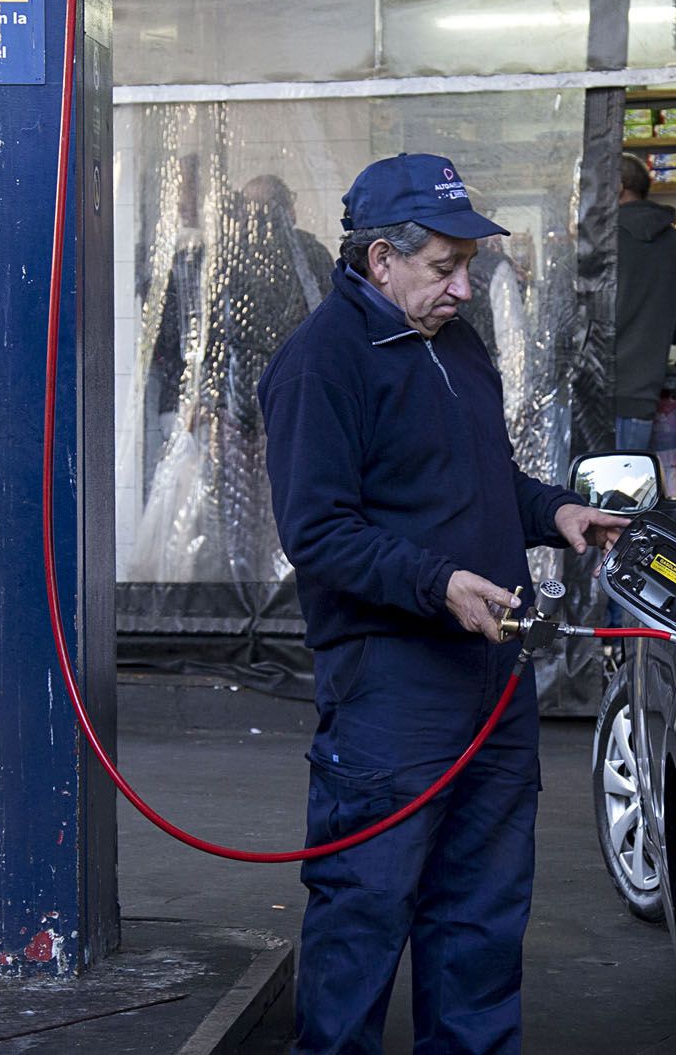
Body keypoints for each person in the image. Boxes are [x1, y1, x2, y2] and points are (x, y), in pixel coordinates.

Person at [258, 153, 627, 1053]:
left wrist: (552, 510)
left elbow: (473, 477)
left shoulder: (452, 340)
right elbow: (319, 532)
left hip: (492, 685)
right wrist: (439, 583)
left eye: (469, 264)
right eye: (444, 267)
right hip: (392, 692)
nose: (464, 286)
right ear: (380, 258)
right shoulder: (321, 366)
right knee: (363, 917)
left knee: (481, 924)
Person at [614, 154, 676, 450]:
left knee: (596, 488)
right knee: (636, 488)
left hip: (605, 393)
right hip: (648, 390)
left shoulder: (604, 238)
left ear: (619, 187)